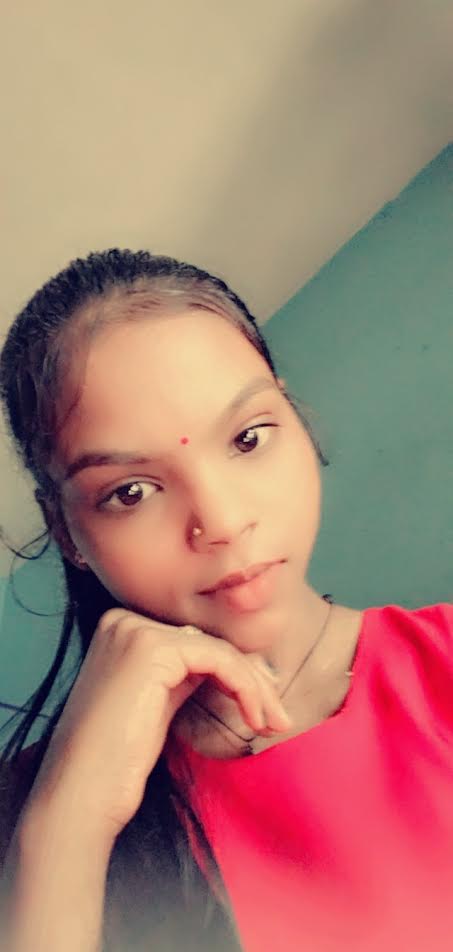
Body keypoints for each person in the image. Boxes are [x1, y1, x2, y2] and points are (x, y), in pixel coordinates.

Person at [0, 248, 451, 952]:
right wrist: (64, 828)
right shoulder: (33, 804)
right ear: (66, 532)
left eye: (247, 438)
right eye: (131, 492)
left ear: (296, 420)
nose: (222, 521)